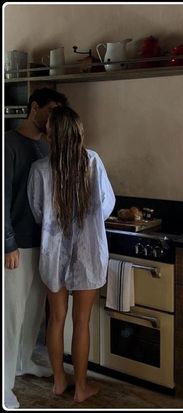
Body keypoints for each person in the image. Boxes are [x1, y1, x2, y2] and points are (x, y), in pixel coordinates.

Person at [27, 106, 116, 403]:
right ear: (77, 132)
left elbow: (38, 213)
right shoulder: (92, 161)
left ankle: (58, 382)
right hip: (89, 253)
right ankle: (80, 388)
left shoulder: (40, 168)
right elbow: (106, 205)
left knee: (56, 320)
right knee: (82, 321)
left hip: (54, 254)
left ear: (53, 135)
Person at [4, 87, 68, 409]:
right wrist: (7, 243)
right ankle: (3, 385)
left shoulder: (44, 149)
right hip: (14, 247)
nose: (54, 119)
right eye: (51, 111)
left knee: (31, 314)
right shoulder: (8, 144)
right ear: (34, 108)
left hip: (42, 246)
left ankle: (24, 362)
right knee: (10, 316)